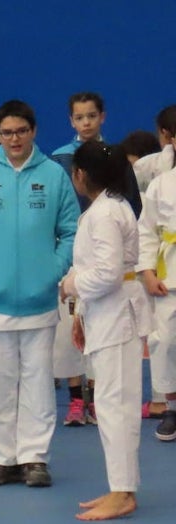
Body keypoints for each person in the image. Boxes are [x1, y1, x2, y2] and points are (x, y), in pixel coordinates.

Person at [0, 100, 79, 487]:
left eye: (21, 131)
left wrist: (53, 269)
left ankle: (34, 457)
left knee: (38, 382)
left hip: (39, 301)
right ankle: (1, 458)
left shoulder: (54, 177)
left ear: (34, 131)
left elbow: (71, 230)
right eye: (6, 132)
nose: (14, 138)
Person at [58, 141, 151, 520]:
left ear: (81, 175)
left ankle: (123, 492)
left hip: (116, 314)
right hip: (108, 313)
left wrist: (72, 284)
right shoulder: (107, 209)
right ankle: (120, 487)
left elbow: (109, 274)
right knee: (115, 403)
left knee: (116, 404)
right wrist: (81, 311)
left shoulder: (106, 214)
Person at [137, 141, 176, 441]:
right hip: (168, 274)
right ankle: (172, 408)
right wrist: (146, 271)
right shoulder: (161, 184)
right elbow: (147, 230)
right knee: (163, 341)